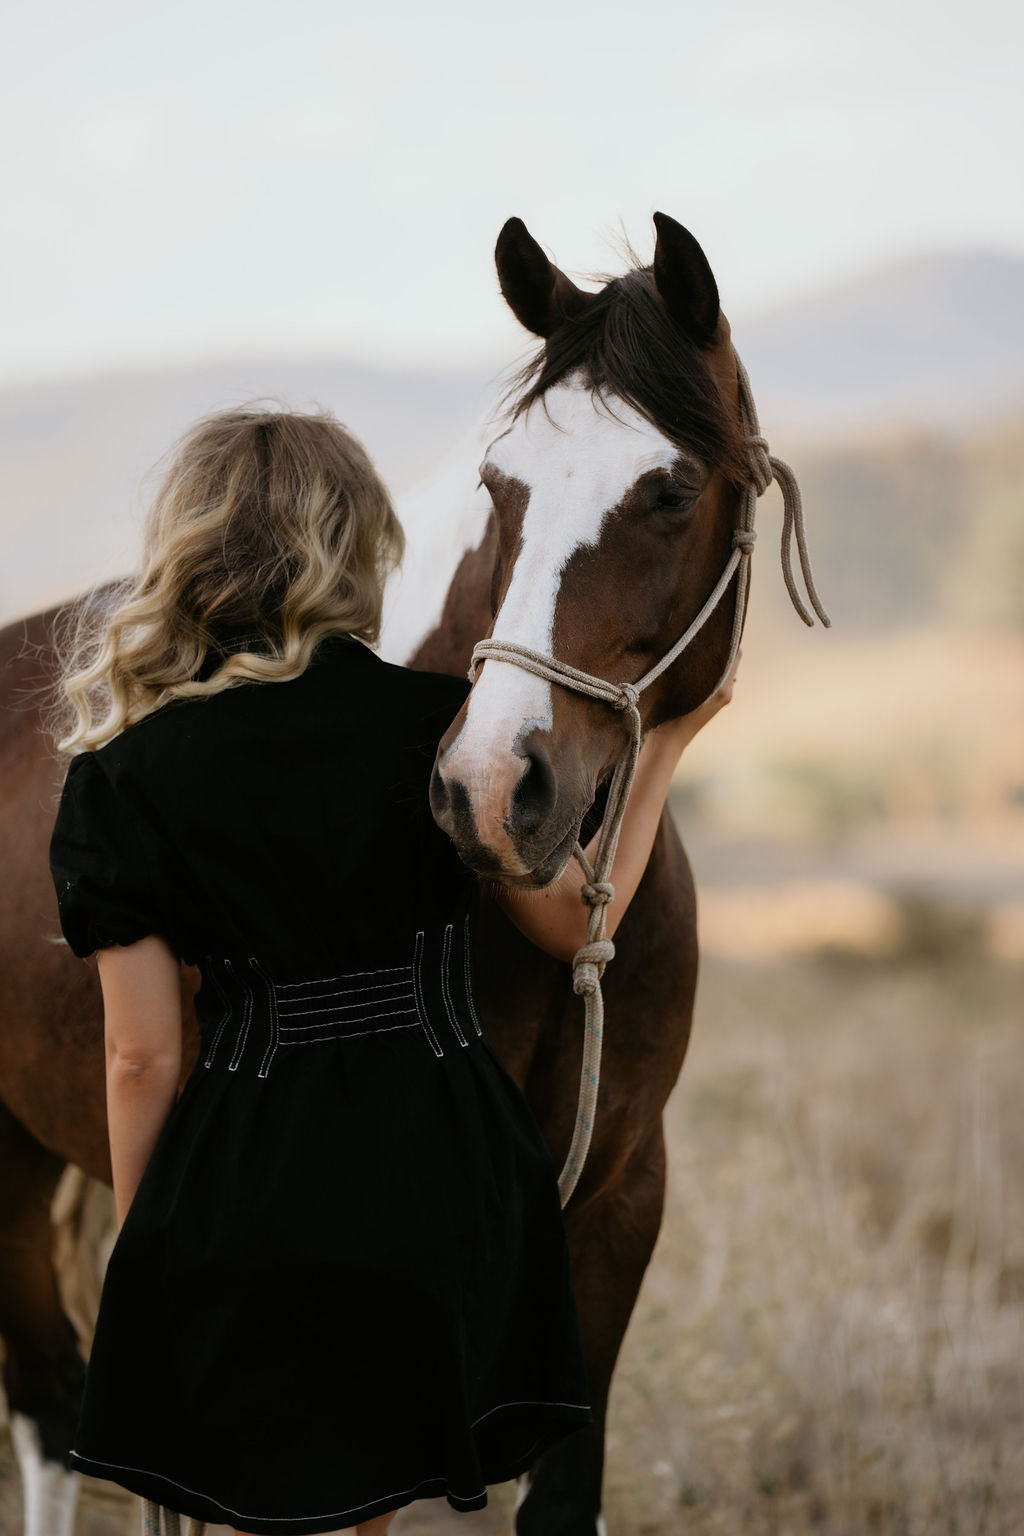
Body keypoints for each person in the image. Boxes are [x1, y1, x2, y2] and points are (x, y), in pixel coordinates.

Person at [48, 406, 736, 1536]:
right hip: (440, 1180)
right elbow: (579, 925)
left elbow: (138, 1056)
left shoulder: (123, 781)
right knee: (365, 1504)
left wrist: (156, 1242)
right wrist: (665, 742)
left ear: (187, 555)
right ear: (359, 547)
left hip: (251, 1180)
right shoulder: (441, 733)